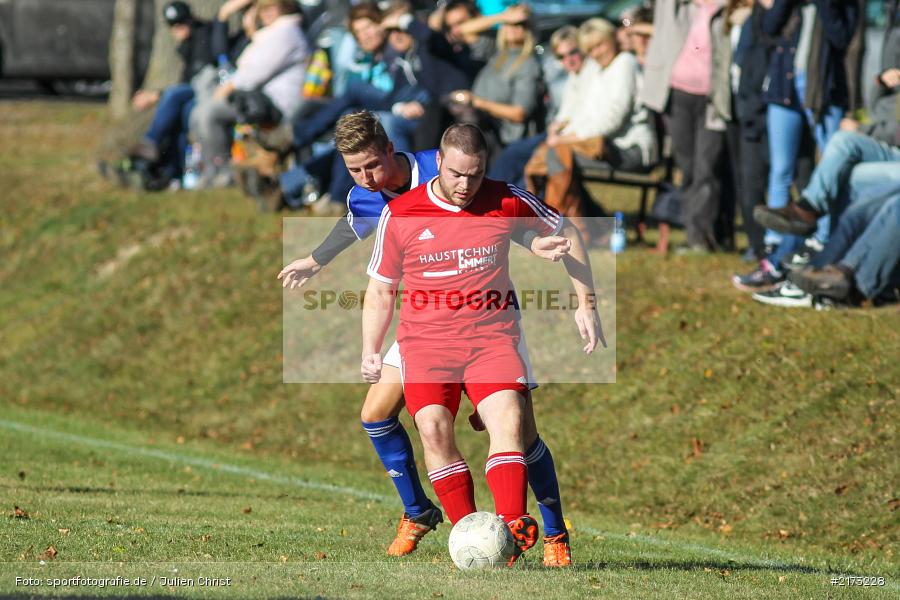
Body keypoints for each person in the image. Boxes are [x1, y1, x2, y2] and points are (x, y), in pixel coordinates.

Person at [277, 112, 577, 566]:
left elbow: (495, 217)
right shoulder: (368, 196)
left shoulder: (436, 168)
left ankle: (552, 532)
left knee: (519, 431)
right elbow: (354, 232)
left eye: (371, 166)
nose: (365, 178)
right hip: (424, 322)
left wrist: (535, 246)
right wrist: (315, 262)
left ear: (391, 149)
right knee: (383, 414)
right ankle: (420, 511)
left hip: (485, 320)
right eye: (354, 169)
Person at [360, 123, 604, 565]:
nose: (465, 185)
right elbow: (380, 289)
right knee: (432, 428)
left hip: (491, 338)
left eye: (474, 175)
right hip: (427, 344)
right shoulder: (401, 214)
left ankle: (516, 533)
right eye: (456, 174)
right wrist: (370, 349)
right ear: (438, 161)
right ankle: (470, 537)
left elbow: (567, 232)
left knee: (512, 423)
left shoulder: (504, 197)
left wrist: (585, 303)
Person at [523, 18, 657, 243]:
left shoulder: (625, 63)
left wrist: (570, 137)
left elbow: (614, 118)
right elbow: (585, 117)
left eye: (600, 45)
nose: (596, 53)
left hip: (630, 150)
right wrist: (564, 134)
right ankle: (578, 227)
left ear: (611, 40)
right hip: (606, 147)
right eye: (591, 49)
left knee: (555, 155)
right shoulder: (604, 70)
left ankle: (569, 228)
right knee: (552, 154)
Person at [641, 0, 729, 253]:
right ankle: (697, 231)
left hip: (714, 100)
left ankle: (699, 238)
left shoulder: (731, 8)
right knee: (688, 167)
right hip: (678, 95)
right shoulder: (676, 5)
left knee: (707, 167)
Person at [191, 0, 310, 188]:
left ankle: (223, 173)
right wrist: (251, 30)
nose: (267, 13)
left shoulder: (287, 32)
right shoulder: (268, 34)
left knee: (210, 113)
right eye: (263, 9)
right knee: (200, 112)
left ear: (284, 7)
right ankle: (210, 171)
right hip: (257, 100)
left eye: (272, 7)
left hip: (277, 103)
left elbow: (256, 72)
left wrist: (227, 88)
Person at [126, 1, 216, 186]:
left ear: (190, 19)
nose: (178, 29)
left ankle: (149, 143)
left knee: (175, 95)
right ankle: (172, 174)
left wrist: (156, 96)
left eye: (181, 23)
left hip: (208, 92)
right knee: (178, 117)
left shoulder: (205, 36)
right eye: (173, 26)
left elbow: (197, 82)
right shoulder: (186, 46)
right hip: (193, 95)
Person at [446, 4, 542, 152]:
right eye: (508, 23)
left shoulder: (528, 64)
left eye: (520, 24)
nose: (512, 27)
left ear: (530, 28)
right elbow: (463, 30)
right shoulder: (498, 51)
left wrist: (477, 102)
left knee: (466, 122)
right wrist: (502, 16)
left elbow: (519, 113)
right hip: (479, 120)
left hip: (502, 134)